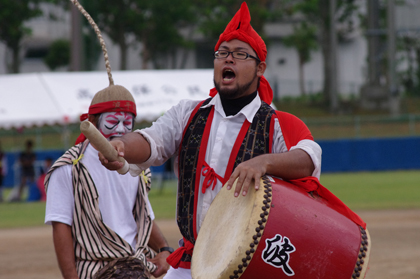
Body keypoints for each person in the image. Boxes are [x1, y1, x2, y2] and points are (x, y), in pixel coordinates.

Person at [99, 3, 321, 279]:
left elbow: (308, 159)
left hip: (249, 267)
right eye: (222, 53)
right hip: (192, 262)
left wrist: (264, 162)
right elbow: (152, 141)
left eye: (240, 54)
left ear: (260, 68)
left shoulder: (277, 123)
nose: (228, 60)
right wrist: (122, 146)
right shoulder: (188, 113)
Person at [44, 85, 171, 279]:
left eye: (127, 122)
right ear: (93, 122)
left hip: (136, 268)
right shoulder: (68, 168)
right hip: (94, 271)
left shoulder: (138, 165)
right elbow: (61, 228)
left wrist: (164, 249)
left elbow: (143, 216)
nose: (121, 129)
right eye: (112, 121)